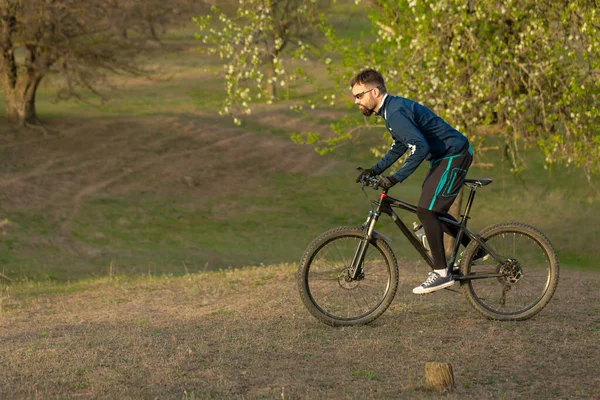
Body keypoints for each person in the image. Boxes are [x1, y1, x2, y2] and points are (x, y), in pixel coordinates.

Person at [352, 68, 475, 294]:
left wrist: (394, 178)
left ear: (375, 92)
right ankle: (476, 250)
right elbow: (400, 146)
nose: (356, 101)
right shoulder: (391, 112)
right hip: (442, 157)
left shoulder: (395, 112)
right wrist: (375, 169)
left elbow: (420, 148)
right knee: (428, 210)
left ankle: (440, 273)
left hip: (454, 154)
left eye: (359, 95)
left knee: (427, 210)